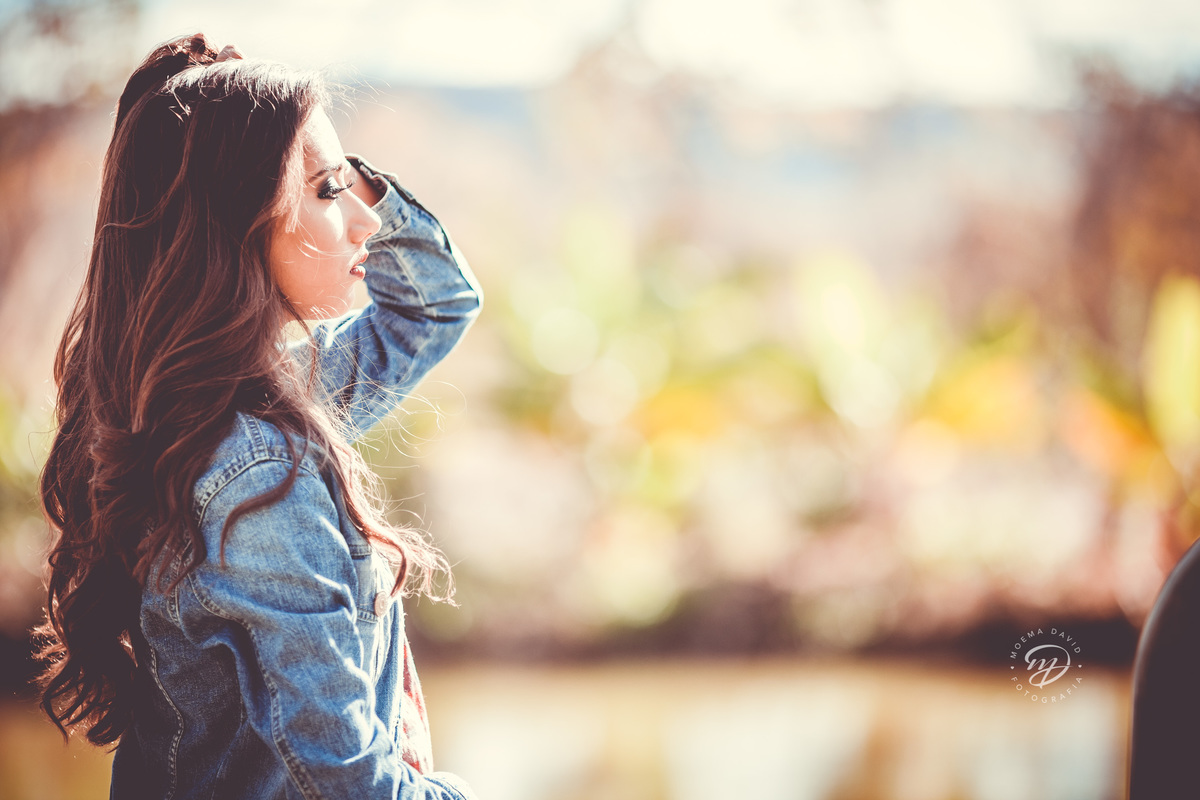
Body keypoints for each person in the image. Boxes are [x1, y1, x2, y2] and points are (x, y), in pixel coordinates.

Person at [33, 33, 483, 800]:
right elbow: (352, 786)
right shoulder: (257, 470)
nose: (367, 222)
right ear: (238, 215)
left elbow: (435, 303)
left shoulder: (215, 404)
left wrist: (325, 159)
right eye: (328, 193)